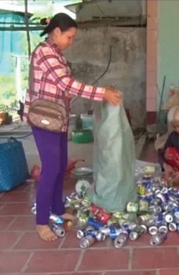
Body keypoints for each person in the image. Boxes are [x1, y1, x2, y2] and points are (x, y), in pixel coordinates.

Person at [23, 13, 122, 241]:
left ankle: (57, 210)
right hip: (45, 120)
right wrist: (101, 94)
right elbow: (65, 83)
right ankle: (41, 222)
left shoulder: (56, 53)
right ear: (56, 32)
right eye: (70, 36)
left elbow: (65, 88)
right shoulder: (44, 52)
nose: (71, 41)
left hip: (58, 119)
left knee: (59, 168)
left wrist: (99, 92)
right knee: (50, 169)